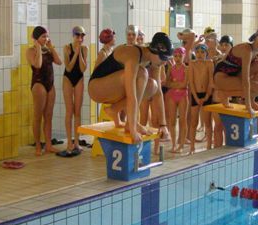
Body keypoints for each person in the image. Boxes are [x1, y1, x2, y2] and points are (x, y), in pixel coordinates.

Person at [89, 33, 173, 143]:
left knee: (153, 86)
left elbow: (158, 93)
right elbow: (131, 95)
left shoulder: (154, 62)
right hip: (96, 88)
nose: (164, 62)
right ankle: (127, 121)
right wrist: (133, 128)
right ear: (153, 51)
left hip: (113, 89)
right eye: (163, 58)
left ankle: (114, 109)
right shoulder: (133, 54)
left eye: (167, 58)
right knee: (142, 73)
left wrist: (163, 125)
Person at [214, 25, 258, 116]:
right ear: (255, 37)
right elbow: (245, 79)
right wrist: (248, 106)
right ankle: (225, 93)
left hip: (235, 75)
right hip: (222, 78)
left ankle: (251, 100)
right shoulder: (247, 50)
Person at [26, 26, 62, 156]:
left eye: (47, 36)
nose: (46, 39)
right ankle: (37, 145)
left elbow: (59, 62)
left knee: (48, 116)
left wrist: (51, 47)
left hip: (50, 84)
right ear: (36, 38)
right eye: (43, 36)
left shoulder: (48, 49)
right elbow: (38, 65)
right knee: (38, 116)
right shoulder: (30, 51)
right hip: (38, 84)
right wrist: (38, 48)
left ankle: (48, 145)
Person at [59, 26, 88, 157]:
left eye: (82, 36)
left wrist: (79, 52)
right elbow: (69, 67)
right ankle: (69, 142)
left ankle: (76, 141)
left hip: (79, 79)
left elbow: (83, 69)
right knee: (69, 111)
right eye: (77, 35)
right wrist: (75, 53)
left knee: (77, 112)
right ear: (73, 35)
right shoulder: (66, 48)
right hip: (68, 79)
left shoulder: (85, 49)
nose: (80, 38)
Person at [188, 44, 214, 154]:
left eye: (202, 52)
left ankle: (209, 146)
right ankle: (192, 147)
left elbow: (211, 81)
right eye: (197, 52)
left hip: (207, 95)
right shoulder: (192, 64)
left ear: (206, 53)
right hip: (195, 95)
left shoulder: (209, 63)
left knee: (207, 122)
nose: (199, 54)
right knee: (194, 122)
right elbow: (191, 82)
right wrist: (195, 97)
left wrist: (207, 96)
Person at [164, 47, 189, 153]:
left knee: (182, 121)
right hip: (172, 95)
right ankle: (174, 145)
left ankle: (181, 145)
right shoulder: (171, 68)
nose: (178, 58)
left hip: (183, 96)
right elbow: (167, 83)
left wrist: (174, 84)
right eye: (175, 56)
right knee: (172, 121)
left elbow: (185, 84)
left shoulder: (186, 69)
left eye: (180, 56)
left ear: (184, 56)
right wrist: (177, 84)